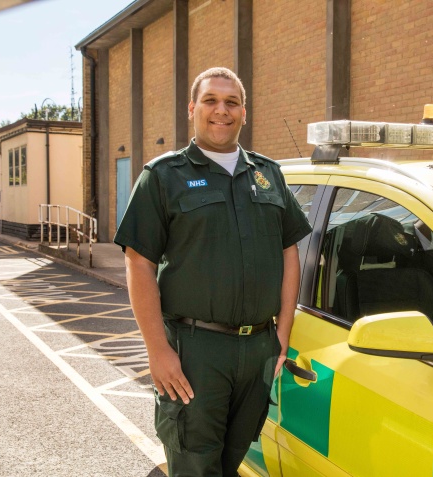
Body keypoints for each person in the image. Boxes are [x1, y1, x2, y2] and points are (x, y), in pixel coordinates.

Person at [114, 67, 312, 476]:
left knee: (231, 461)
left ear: (244, 112)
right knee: (193, 464)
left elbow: (289, 250)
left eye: (231, 102)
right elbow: (138, 262)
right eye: (211, 101)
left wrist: (282, 335)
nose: (221, 111)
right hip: (194, 350)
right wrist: (157, 350)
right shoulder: (164, 176)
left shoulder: (269, 174)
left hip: (257, 348)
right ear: (192, 109)